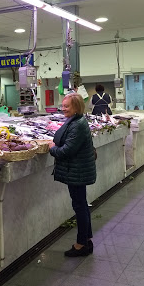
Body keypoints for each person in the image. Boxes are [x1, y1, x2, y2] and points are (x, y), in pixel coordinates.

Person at [49, 93, 96, 257]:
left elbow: (67, 151)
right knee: (82, 204)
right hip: (78, 170)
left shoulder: (77, 125)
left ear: (76, 107)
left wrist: (51, 148)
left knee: (79, 206)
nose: (63, 108)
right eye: (63, 105)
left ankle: (81, 244)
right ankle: (87, 240)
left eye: (67, 106)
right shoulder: (77, 121)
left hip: (77, 171)